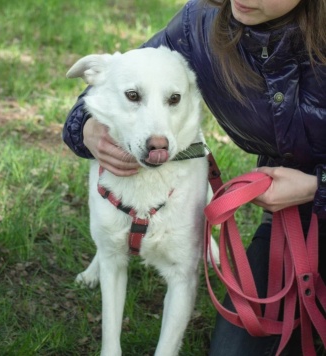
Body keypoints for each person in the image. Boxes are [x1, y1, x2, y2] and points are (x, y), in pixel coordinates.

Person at [63, 0, 326, 354]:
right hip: (293, 218)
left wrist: (315, 186)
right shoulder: (199, 27)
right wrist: (87, 128)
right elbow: (127, 73)